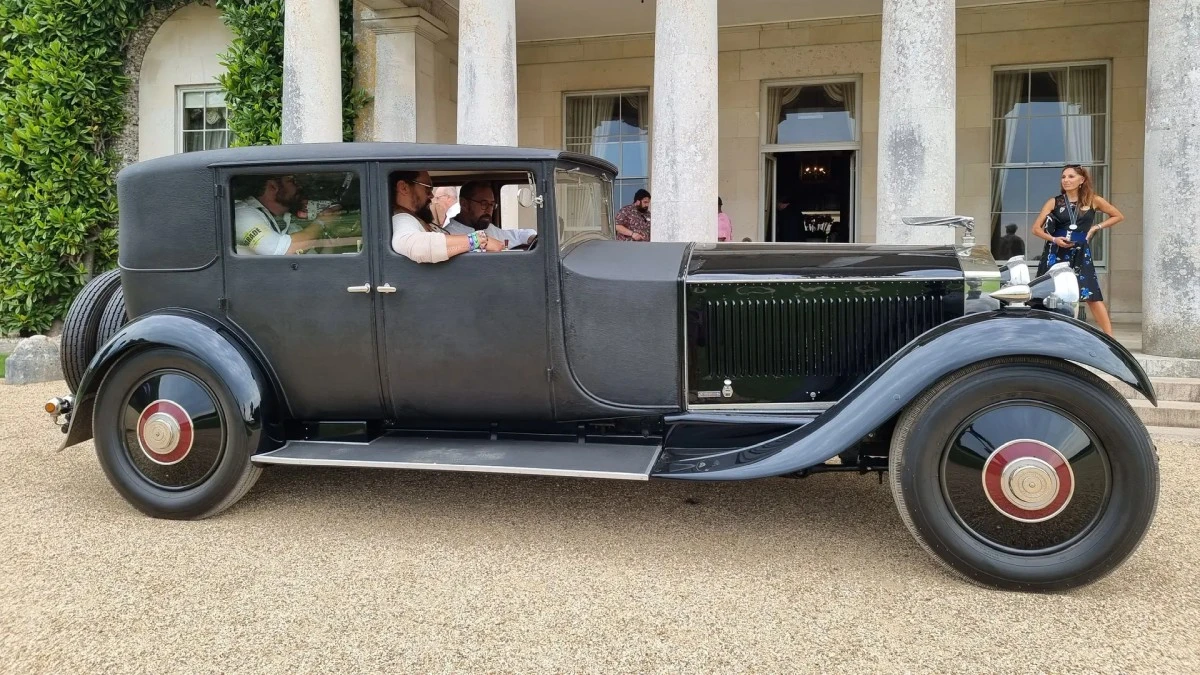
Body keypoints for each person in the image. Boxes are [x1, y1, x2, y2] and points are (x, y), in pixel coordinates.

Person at [1031, 164, 1124, 335]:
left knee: (1091, 295)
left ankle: (1111, 339)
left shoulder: (1093, 200)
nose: (1066, 180)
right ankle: (1041, 335)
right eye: (1063, 177)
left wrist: (1096, 227)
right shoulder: (1054, 201)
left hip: (1080, 252)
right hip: (1055, 252)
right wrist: (1053, 239)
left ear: (1082, 180)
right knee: (1044, 293)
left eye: (1071, 176)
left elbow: (1118, 215)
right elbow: (1036, 229)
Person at [391, 171, 505, 262]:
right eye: (427, 188)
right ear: (403, 188)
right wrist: (477, 240)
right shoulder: (402, 219)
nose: (431, 195)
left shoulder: (416, 219)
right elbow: (416, 247)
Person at [233, 175, 341, 255]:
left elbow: (316, 265)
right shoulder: (243, 215)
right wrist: (321, 223)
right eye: (292, 181)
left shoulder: (286, 222)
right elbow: (282, 252)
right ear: (273, 186)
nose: (299, 187)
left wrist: (329, 239)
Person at [444, 181, 537, 249]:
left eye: (492, 204)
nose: (489, 210)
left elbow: (519, 235)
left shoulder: (490, 229)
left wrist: (531, 238)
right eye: (484, 204)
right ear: (464, 204)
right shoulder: (448, 235)